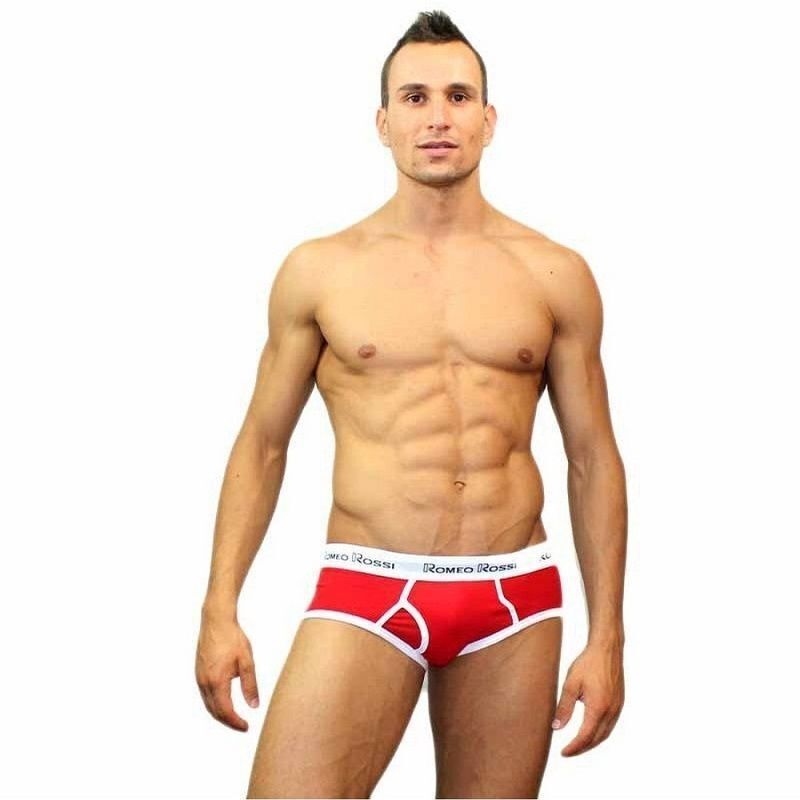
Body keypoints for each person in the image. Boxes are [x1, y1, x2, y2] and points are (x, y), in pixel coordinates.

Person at [195, 10, 627, 798]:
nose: (437, 117)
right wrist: (219, 607)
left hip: (514, 594)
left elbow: (592, 457)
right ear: (383, 122)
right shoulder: (320, 270)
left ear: (488, 120)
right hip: (368, 582)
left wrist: (608, 638)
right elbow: (262, 444)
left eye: (458, 97)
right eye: (416, 97)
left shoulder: (555, 273)